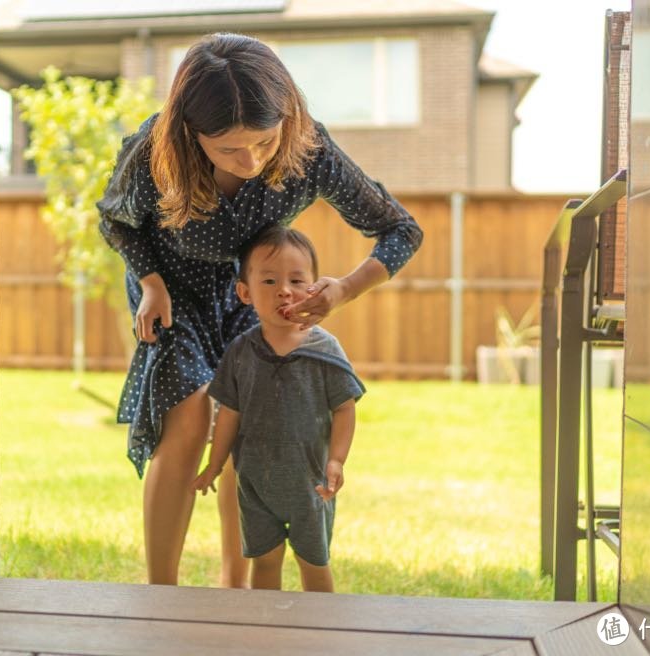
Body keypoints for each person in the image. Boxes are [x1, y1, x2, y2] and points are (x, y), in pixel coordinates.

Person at [97, 32, 423, 587]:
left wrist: (344, 288)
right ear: (189, 132)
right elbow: (116, 220)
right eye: (228, 149)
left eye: (264, 145)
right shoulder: (156, 149)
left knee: (244, 418)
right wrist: (150, 283)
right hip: (173, 293)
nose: (250, 161)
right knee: (191, 413)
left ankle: (236, 582)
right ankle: (161, 591)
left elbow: (400, 230)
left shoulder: (308, 150)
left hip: (253, 293)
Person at [192, 225, 364, 592]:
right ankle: (265, 637)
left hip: (310, 485)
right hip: (256, 485)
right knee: (265, 566)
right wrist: (215, 464)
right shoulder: (241, 352)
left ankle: (319, 639)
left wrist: (337, 461)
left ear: (315, 289)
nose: (284, 290)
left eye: (297, 280)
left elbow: (345, 409)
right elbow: (229, 415)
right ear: (245, 292)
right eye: (269, 281)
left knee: (314, 566)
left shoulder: (325, 350)